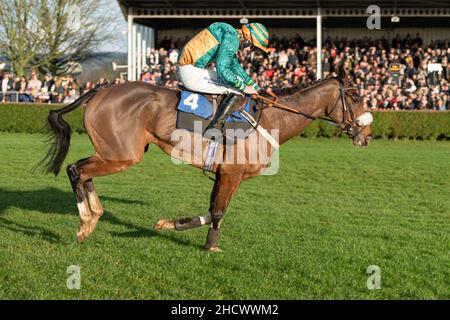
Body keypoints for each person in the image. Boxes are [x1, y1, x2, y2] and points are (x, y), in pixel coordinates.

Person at [177, 22, 269, 132]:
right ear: (248, 39)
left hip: (191, 67)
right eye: (253, 47)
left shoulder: (231, 34)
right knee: (238, 91)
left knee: (238, 82)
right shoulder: (232, 39)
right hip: (191, 71)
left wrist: (253, 85)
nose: (251, 50)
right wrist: (243, 87)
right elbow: (222, 69)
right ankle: (215, 127)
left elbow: (234, 66)